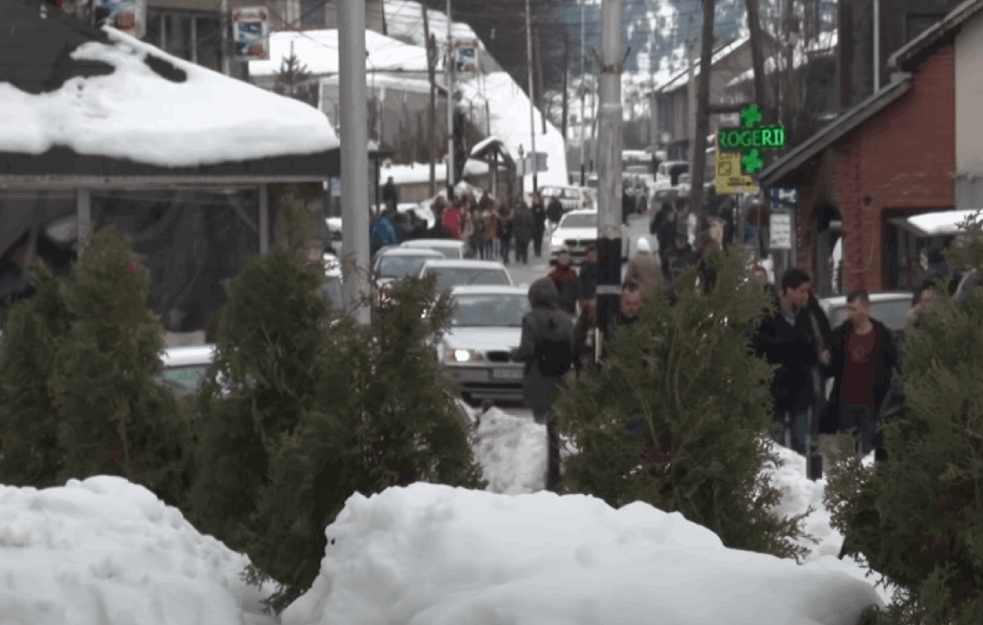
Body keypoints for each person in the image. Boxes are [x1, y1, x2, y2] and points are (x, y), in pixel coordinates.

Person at [753, 269, 831, 455]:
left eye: (807, 291)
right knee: (776, 449)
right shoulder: (767, 314)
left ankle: (809, 482)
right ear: (788, 290)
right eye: (802, 291)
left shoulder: (809, 314)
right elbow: (760, 348)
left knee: (802, 446)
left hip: (802, 391)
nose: (806, 296)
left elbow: (814, 348)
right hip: (776, 391)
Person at [512, 277, 576, 493]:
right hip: (561, 381)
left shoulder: (531, 320)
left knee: (540, 432)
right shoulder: (566, 320)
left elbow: (527, 351)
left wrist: (516, 354)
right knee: (556, 430)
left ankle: (544, 478)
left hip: (538, 381)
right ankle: (556, 476)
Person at [826, 290, 898, 459]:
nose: (850, 314)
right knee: (848, 450)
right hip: (846, 402)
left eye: (854, 309)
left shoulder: (882, 335)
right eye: (848, 309)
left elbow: (892, 364)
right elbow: (830, 364)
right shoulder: (841, 334)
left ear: (865, 308)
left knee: (869, 450)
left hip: (872, 403)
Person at [548, 248, 580, 317]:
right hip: (557, 309)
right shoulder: (553, 275)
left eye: (566, 258)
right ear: (558, 260)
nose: (564, 260)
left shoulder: (573, 274)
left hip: (571, 308)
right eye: (562, 258)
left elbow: (577, 290)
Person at [512, 200, 535, 264]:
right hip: (526, 232)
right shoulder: (529, 213)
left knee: (518, 245)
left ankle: (517, 257)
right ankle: (524, 259)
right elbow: (532, 223)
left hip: (518, 231)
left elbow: (514, 222)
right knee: (525, 246)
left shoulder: (517, 212)